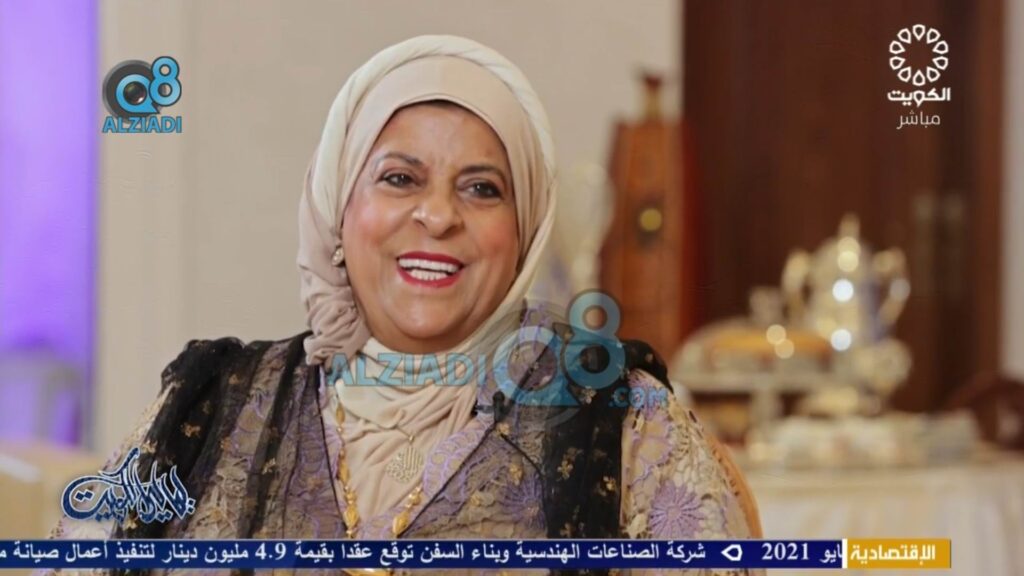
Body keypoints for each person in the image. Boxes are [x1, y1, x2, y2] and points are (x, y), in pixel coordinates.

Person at [47, 35, 761, 575]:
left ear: (525, 230)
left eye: (482, 188)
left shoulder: (622, 422)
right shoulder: (208, 409)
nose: (438, 216)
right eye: (399, 178)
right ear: (339, 205)